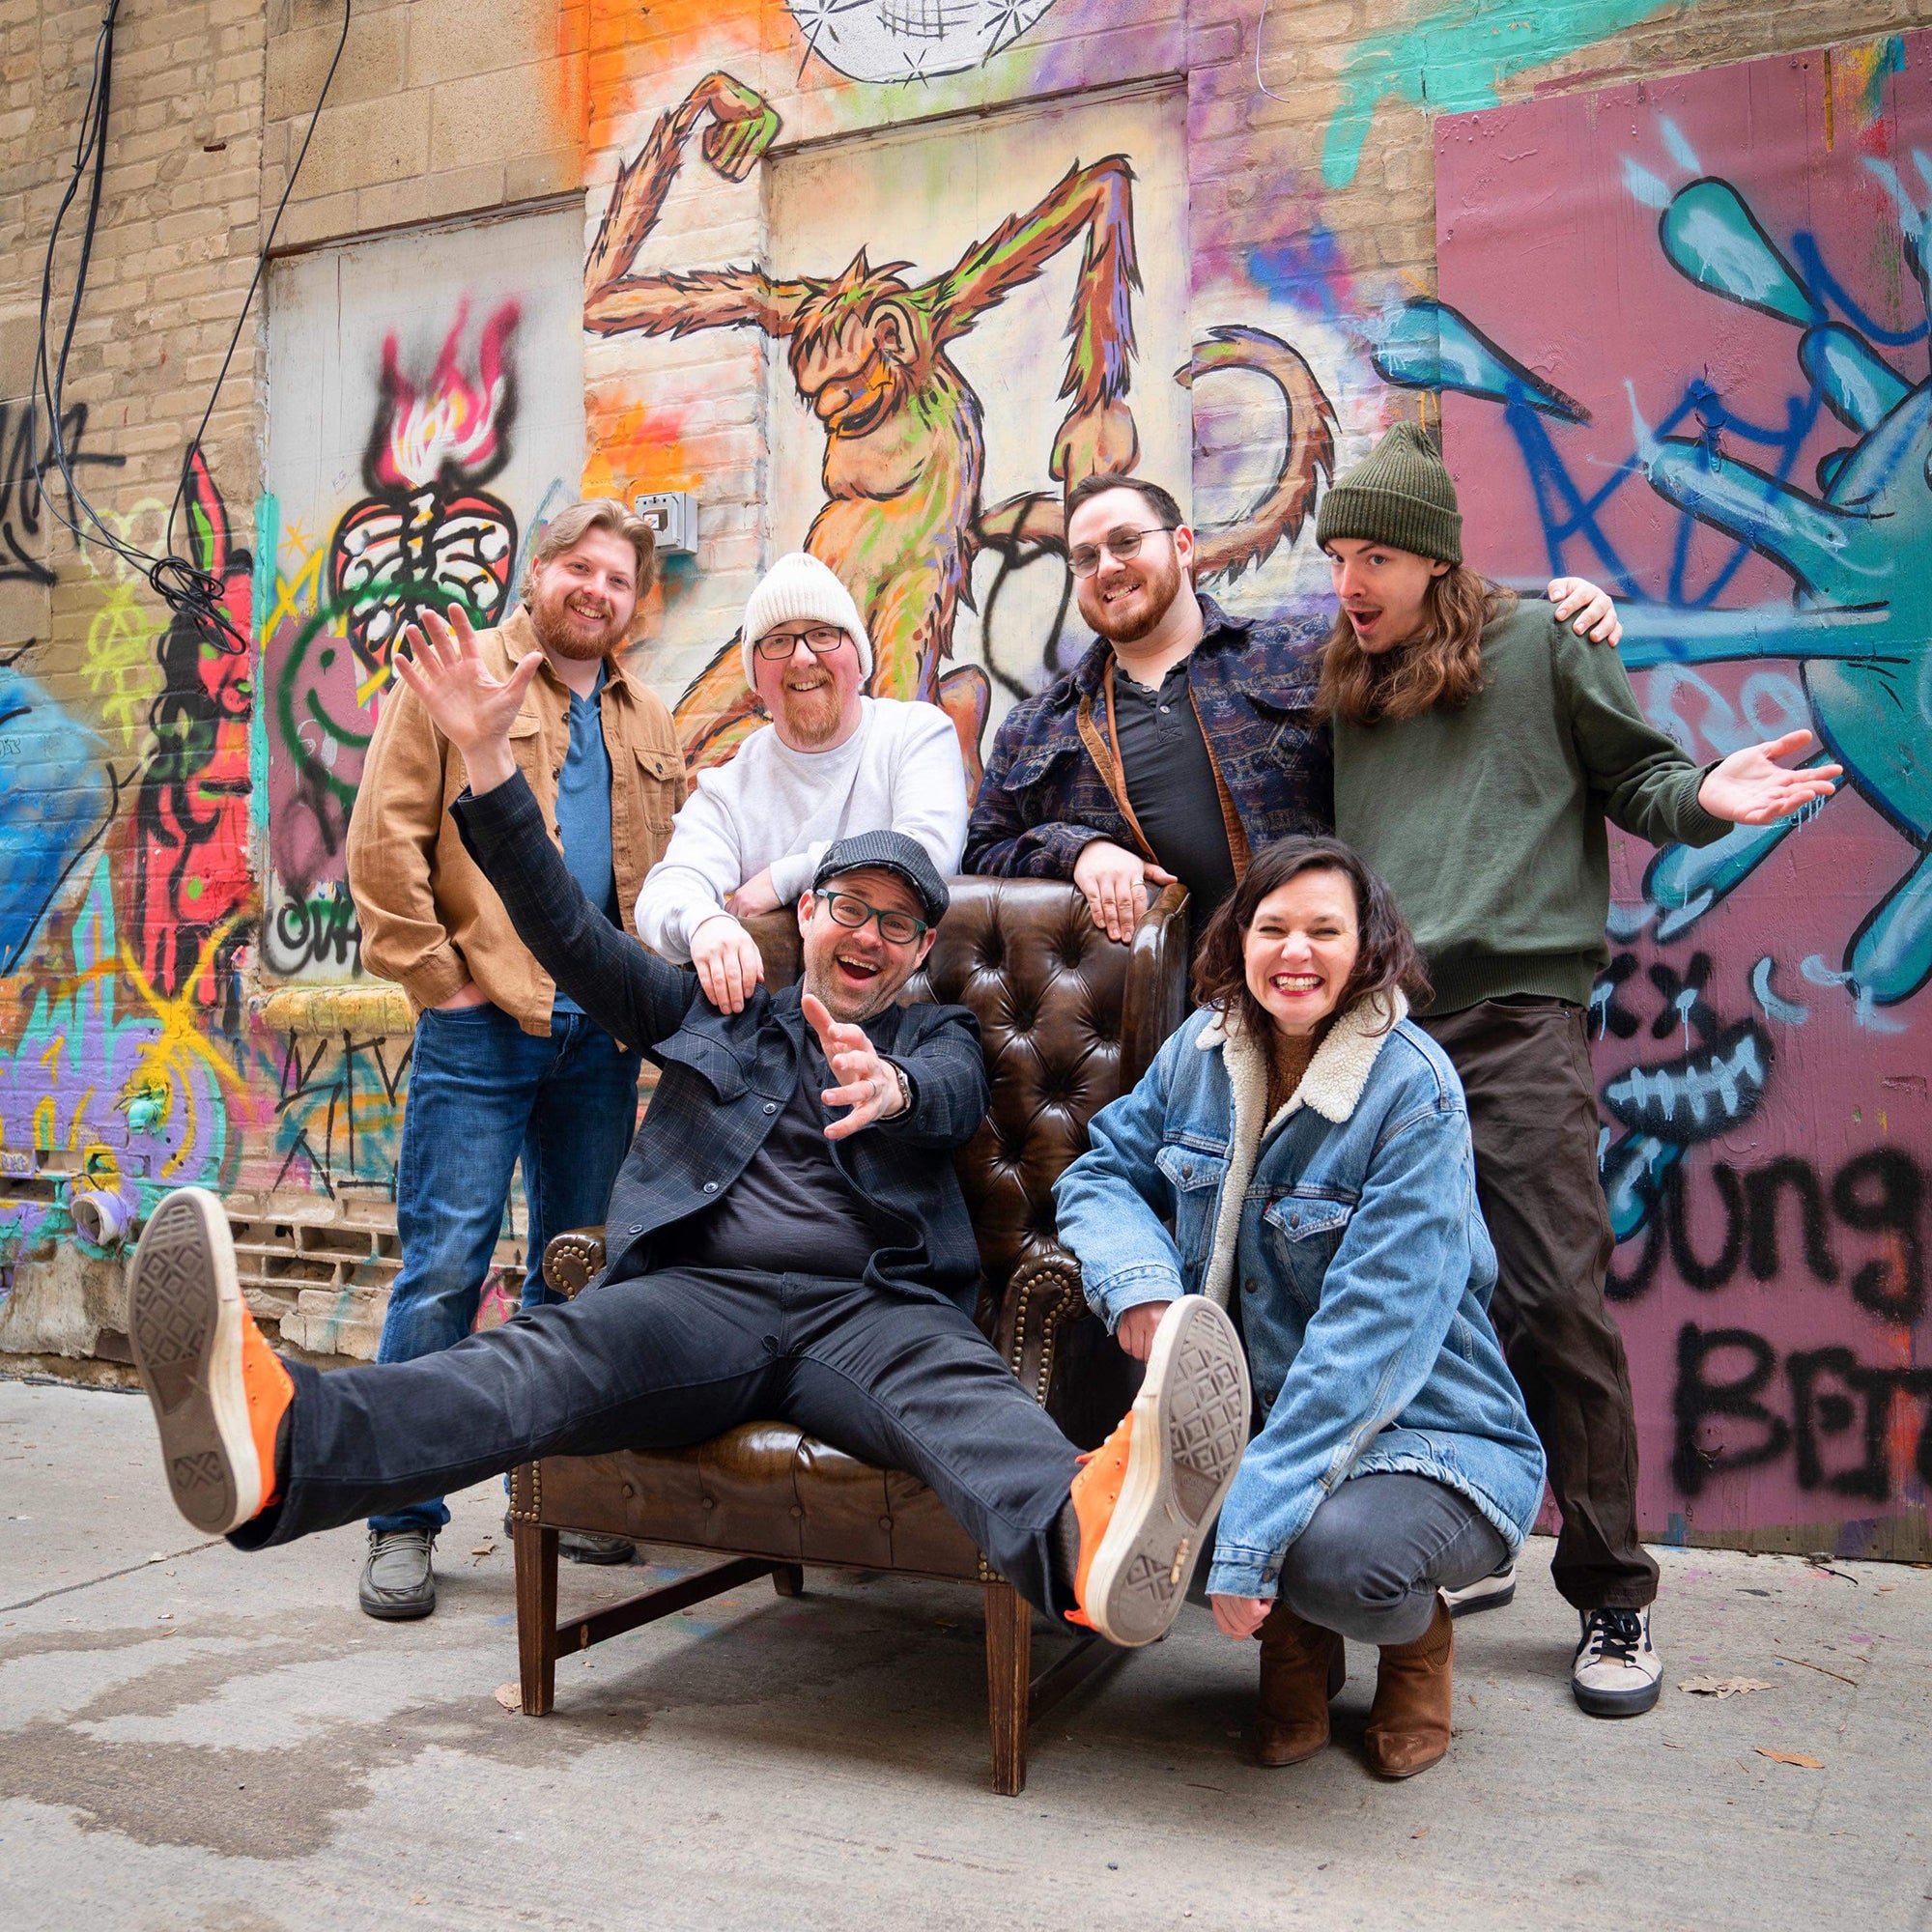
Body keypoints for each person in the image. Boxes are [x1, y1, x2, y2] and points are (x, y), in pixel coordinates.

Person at [126, 608, 1253, 1664]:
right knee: (534, 1359)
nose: (868, 934)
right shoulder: (712, 1012)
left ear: (917, 952)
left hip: (873, 1306)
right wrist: (482, 760)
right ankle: (280, 1444)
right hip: (695, 1297)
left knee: (970, 1405)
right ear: (808, 917)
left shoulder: (940, 1031)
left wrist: (893, 1086)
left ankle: (1087, 1545)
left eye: (897, 923)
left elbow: (953, 1096)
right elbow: (568, 935)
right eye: (848, 907)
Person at [1313, 422, 1843, 1717]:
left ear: (1437, 562)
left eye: (1375, 554)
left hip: (1515, 1020)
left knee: (1553, 1295)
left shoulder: (1546, 640)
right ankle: (1457, 1533)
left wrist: (1705, 796)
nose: (1350, 582)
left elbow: (1645, 776)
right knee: (1397, 1301)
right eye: (1337, 555)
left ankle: (1613, 1596)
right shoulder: (1347, 679)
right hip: (1380, 1033)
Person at [1054, 836, 1546, 1778]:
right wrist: (1140, 1284)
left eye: (1324, 930)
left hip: (1423, 1430)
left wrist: (1251, 1541)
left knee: (1328, 1559)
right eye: (1271, 926)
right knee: (1126, 1534)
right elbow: (1100, 1173)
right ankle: (1297, 1643)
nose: (1294, 951)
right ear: (1237, 938)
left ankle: (1411, 1639)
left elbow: (1364, 1345)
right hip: (1247, 1418)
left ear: (1367, 948)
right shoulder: (1197, 1054)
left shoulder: (1411, 1091)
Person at [344, 498, 686, 1616]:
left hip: (599, 1035)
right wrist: (441, 979)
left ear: (636, 601)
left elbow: (664, 874)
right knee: (445, 1264)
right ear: (536, 570)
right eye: (577, 568)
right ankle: (400, 1514)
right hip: (481, 1025)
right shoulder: (459, 678)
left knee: (573, 1269)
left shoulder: (647, 714)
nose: (596, 590)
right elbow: (383, 837)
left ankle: (555, 1486)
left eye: (617, 579)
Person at [963, 473, 1621, 940]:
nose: (1107, 566)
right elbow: (981, 853)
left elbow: (1430, 634)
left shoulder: (1301, 656)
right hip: (1141, 1037)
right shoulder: (1035, 726)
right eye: (1085, 557)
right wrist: (1076, 852)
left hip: (1307, 1005)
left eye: (1128, 542)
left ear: (1183, 546)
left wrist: (1553, 609)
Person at [635, 552, 969, 1014]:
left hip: (907, 1019)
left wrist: (785, 875)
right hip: (775, 1040)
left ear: (858, 658)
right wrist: (704, 923)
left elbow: (928, 852)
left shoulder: (915, 733)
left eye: (823, 635)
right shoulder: (731, 786)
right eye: (778, 642)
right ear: (757, 678)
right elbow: (665, 891)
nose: (802, 657)